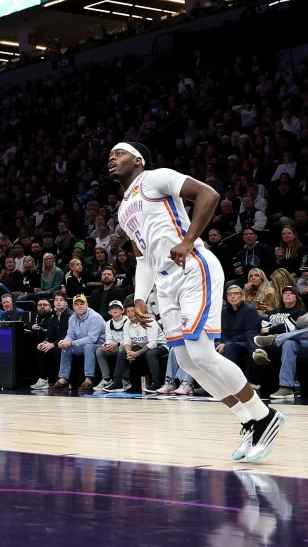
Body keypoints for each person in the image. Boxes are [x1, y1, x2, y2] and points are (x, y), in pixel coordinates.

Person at [110, 141, 285, 461]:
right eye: (110, 155)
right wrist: (140, 297)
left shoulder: (155, 178)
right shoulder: (123, 210)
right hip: (165, 283)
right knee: (188, 362)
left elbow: (209, 194)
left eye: (119, 153)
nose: (112, 158)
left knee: (202, 354)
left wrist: (189, 240)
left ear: (137, 160)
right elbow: (143, 260)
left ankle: (265, 415)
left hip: (192, 268)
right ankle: (247, 420)